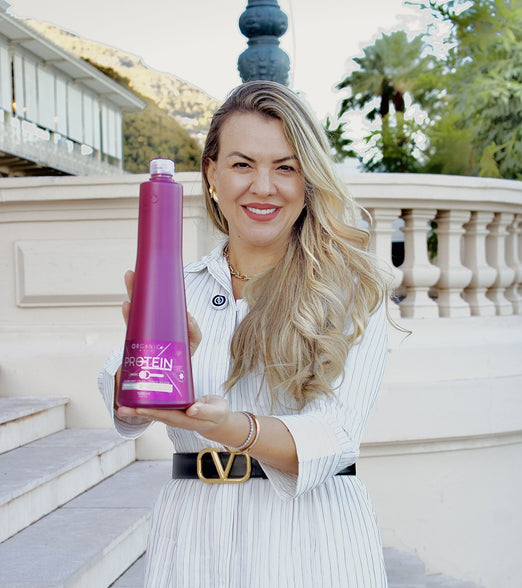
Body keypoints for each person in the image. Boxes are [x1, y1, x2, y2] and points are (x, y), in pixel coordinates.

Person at [99, 80, 390, 587]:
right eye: (242, 164)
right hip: (193, 541)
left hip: (312, 545)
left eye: (285, 167)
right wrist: (148, 369)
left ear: (309, 178)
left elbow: (336, 437)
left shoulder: (351, 291)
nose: (263, 186)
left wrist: (232, 428)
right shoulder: (175, 287)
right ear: (212, 173)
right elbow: (125, 409)